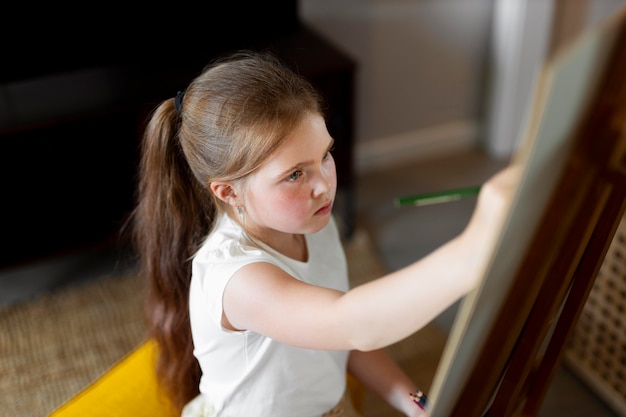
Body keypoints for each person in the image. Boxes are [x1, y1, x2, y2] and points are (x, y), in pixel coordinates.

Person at [129, 50, 518, 417]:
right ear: (229, 192)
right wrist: (473, 251)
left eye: (325, 156)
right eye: (296, 174)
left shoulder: (315, 223)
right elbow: (350, 322)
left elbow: (339, 339)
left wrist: (412, 399)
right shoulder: (239, 279)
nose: (324, 185)